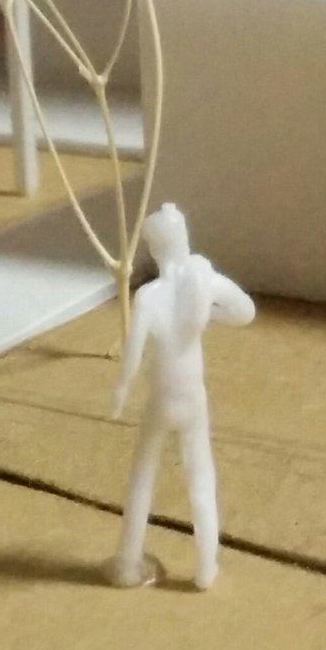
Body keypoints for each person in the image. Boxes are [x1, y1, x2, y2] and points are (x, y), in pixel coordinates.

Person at [107, 203, 255, 590]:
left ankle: (128, 561)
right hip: (192, 401)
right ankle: (205, 569)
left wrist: (120, 394)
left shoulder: (149, 297)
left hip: (160, 401)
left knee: (143, 478)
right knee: (201, 479)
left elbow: (132, 357)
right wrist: (210, 316)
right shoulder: (205, 283)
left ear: (153, 250)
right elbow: (246, 312)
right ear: (184, 239)